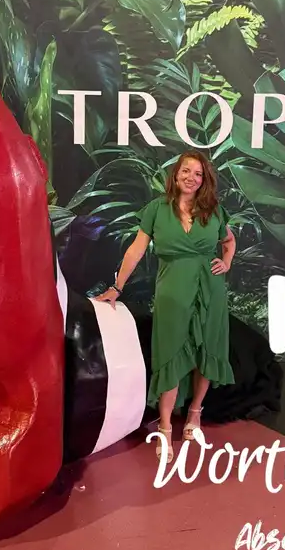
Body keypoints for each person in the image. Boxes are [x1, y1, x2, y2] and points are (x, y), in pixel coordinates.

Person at [95, 151, 236, 462]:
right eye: (186, 171)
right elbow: (135, 249)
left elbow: (228, 240)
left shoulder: (213, 210)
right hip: (172, 292)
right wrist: (117, 287)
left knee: (206, 351)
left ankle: (195, 412)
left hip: (210, 291)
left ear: (204, 180)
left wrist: (226, 262)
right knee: (169, 354)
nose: (191, 178)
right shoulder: (157, 209)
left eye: (198, 174)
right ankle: (165, 426)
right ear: (176, 174)